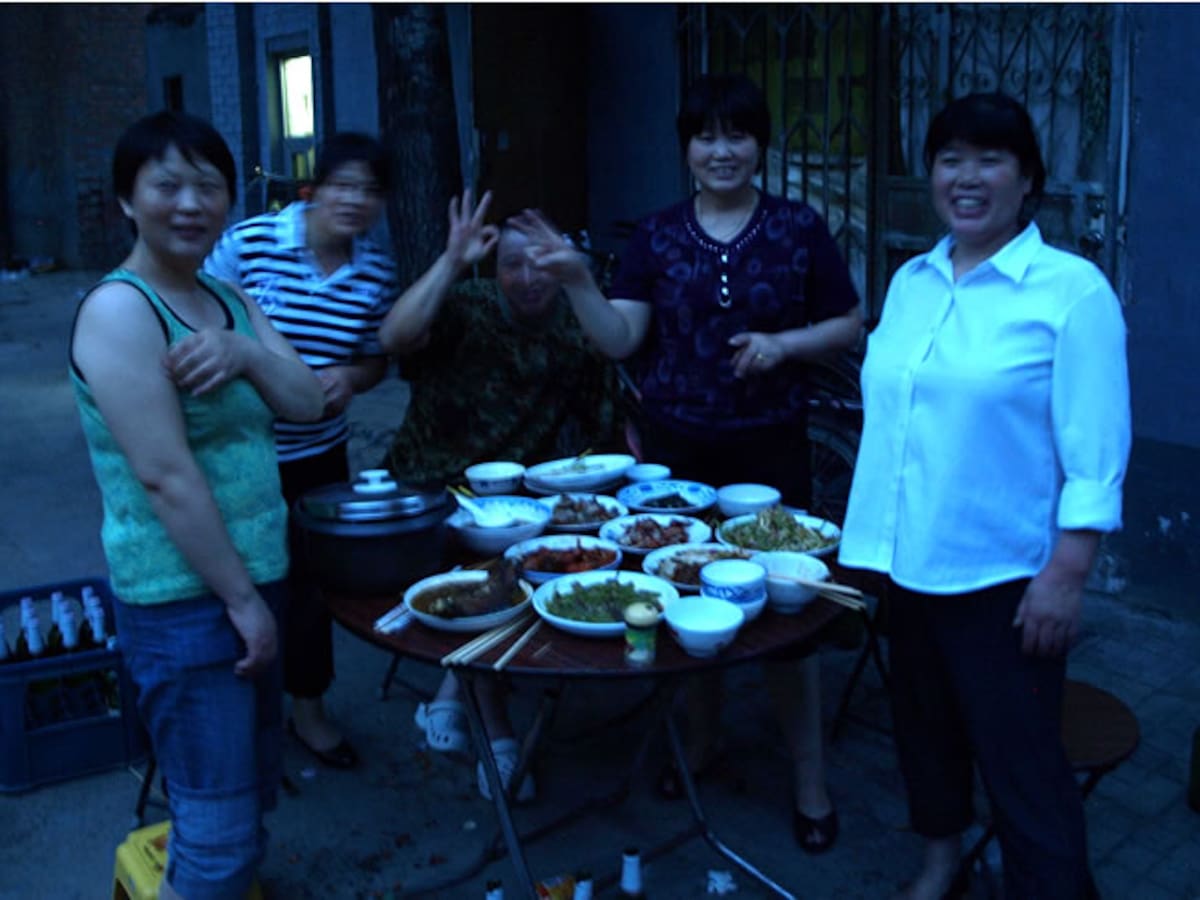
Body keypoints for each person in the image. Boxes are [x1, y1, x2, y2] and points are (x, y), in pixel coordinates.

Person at [511, 73, 862, 852]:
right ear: (687, 148)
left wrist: (786, 344)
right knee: (687, 599)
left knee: (788, 617)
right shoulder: (657, 237)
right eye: (706, 135)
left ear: (761, 145)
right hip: (677, 453)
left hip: (770, 448)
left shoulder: (800, 228)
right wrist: (575, 281)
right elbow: (620, 339)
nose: (722, 150)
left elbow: (848, 321)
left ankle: (809, 779)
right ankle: (702, 742)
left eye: (738, 134)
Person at [838, 92, 1131, 899]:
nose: (967, 178)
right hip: (905, 564)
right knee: (924, 735)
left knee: (1025, 765)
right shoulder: (912, 282)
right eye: (949, 159)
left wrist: (1068, 571)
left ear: (1027, 178)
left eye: (990, 159)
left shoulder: (1070, 293)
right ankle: (941, 864)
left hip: (1003, 577)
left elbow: (1098, 447)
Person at [70, 111, 324, 898]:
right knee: (214, 833)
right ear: (126, 200)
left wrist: (247, 350)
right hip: (187, 602)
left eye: (208, 186)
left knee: (243, 803)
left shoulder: (230, 298)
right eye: (167, 185)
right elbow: (165, 477)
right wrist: (244, 603)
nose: (191, 204)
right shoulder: (121, 311)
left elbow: (309, 402)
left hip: (252, 581)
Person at [379, 190, 621, 801]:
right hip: (432, 487)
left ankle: (451, 688)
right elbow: (394, 337)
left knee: (550, 559)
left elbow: (605, 424)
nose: (528, 275)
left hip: (523, 501)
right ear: (494, 270)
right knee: (488, 576)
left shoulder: (575, 322)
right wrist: (452, 262)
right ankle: (499, 734)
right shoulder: (467, 306)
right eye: (513, 262)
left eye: (542, 259)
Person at [206, 133, 399, 769]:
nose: (356, 200)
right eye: (344, 184)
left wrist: (351, 378)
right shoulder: (251, 243)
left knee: (312, 588)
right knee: (237, 581)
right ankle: (233, 717)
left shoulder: (374, 270)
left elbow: (374, 360)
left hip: (319, 454)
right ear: (314, 186)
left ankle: (309, 712)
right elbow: (201, 318)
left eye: (370, 190)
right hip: (240, 449)